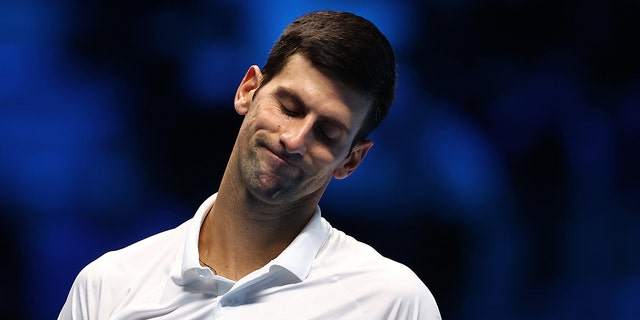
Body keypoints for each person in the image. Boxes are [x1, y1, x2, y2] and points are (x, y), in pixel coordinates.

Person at [59, 10, 441, 319]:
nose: (294, 140)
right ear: (248, 91)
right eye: (289, 108)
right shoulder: (107, 284)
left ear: (352, 160)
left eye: (326, 133)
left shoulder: (392, 302)